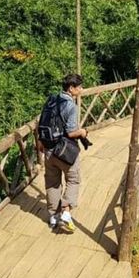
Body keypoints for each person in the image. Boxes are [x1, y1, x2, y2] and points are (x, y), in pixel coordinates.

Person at [36, 73, 89, 233]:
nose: (81, 89)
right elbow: (71, 132)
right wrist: (83, 132)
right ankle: (66, 211)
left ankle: (53, 216)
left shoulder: (51, 99)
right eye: (79, 87)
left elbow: (40, 122)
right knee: (73, 179)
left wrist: (39, 142)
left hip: (48, 150)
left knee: (52, 183)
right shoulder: (71, 106)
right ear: (71, 88)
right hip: (64, 152)